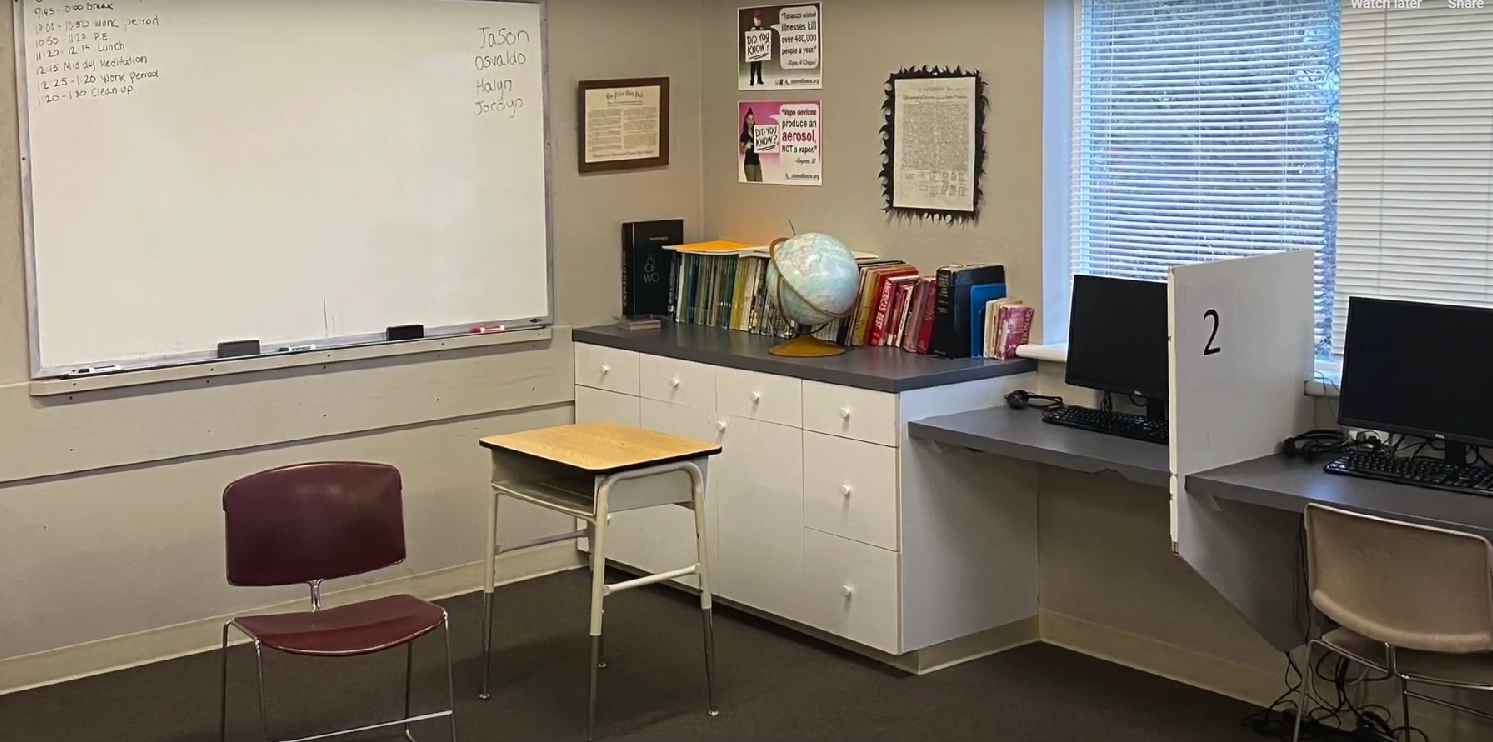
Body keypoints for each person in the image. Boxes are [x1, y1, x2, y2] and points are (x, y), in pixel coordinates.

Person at [740, 108, 763, 182]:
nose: (750, 121)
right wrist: (746, 146)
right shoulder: (744, 135)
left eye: (752, 119)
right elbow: (742, 151)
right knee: (752, 187)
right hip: (749, 164)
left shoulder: (757, 133)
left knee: (760, 185)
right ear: (746, 120)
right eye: (749, 119)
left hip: (757, 163)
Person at [746, 11, 766, 86]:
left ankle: (759, 79)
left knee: (759, 67)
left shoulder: (762, 29)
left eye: (759, 19)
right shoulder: (752, 30)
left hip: (759, 51)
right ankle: (752, 81)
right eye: (756, 19)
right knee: (753, 67)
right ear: (754, 20)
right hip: (753, 52)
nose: (758, 21)